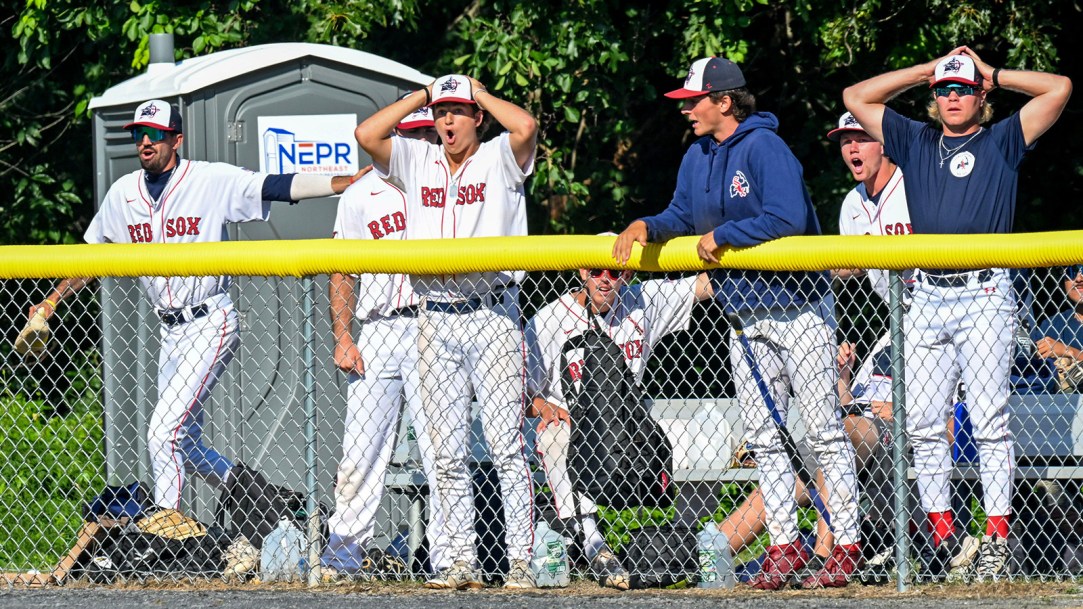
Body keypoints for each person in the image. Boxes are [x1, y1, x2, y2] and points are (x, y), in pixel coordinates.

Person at [27, 99, 361, 576]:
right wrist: (52, 302)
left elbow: (274, 185)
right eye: (139, 134)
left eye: (155, 134)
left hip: (210, 319)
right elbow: (89, 256)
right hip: (170, 331)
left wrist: (340, 183)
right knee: (184, 445)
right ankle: (261, 499)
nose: (145, 141)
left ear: (176, 140)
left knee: (162, 432)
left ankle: (168, 535)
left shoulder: (208, 179)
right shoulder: (124, 193)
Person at [614, 56, 863, 590]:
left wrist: (727, 237)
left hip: (798, 307)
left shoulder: (764, 147)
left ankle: (845, 544)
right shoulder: (697, 155)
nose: (687, 111)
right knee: (765, 438)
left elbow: (786, 217)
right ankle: (784, 546)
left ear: (724, 101)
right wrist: (644, 224)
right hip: (743, 312)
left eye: (694, 101)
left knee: (822, 429)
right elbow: (681, 216)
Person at [844, 47, 1072, 581]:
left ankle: (996, 537)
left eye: (962, 88)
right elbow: (855, 98)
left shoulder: (1002, 139)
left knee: (990, 420)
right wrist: (925, 69)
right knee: (922, 423)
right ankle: (948, 538)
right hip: (926, 295)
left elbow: (1059, 87)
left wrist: (992, 74)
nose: (951, 97)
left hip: (984, 294)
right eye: (943, 89)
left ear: (980, 96)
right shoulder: (917, 140)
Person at [355, 74, 539, 590]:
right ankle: (458, 561)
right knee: (447, 451)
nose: (448, 120)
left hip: (493, 314)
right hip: (434, 315)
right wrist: (423, 94)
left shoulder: (500, 155)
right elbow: (367, 136)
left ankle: (520, 560)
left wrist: (477, 92)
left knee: (507, 447)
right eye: (442, 113)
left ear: (477, 117)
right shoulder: (417, 160)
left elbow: (526, 124)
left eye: (457, 112)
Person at [525, 263, 714, 591]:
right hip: (576, 427)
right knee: (557, 436)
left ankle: (690, 547)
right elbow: (519, 392)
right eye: (596, 271)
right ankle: (595, 546)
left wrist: (733, 235)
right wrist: (545, 406)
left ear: (626, 275)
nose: (604, 280)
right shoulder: (547, 320)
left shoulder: (641, 301)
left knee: (707, 443)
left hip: (630, 426)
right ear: (582, 271)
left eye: (614, 273)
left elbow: (702, 286)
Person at [321, 103, 447, 581]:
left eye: (426, 137)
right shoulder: (361, 192)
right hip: (376, 328)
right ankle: (344, 556)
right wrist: (342, 336)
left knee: (442, 452)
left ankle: (447, 558)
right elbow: (342, 268)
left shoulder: (445, 189)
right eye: (411, 136)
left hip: (432, 324)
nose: (419, 145)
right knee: (360, 452)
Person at [1033, 266, 1083, 389]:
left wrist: (1070, 352)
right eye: (1071, 272)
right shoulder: (1052, 324)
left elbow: (1066, 351)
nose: (1078, 278)